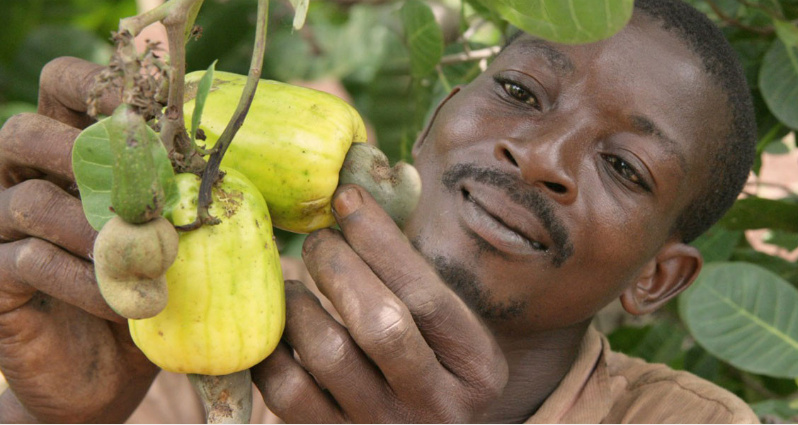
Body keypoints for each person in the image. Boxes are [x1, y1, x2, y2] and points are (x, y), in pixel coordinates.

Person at [0, 0, 761, 422]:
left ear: (658, 278)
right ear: (434, 121)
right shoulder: (203, 341)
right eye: (522, 94)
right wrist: (64, 419)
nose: (540, 158)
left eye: (625, 166)